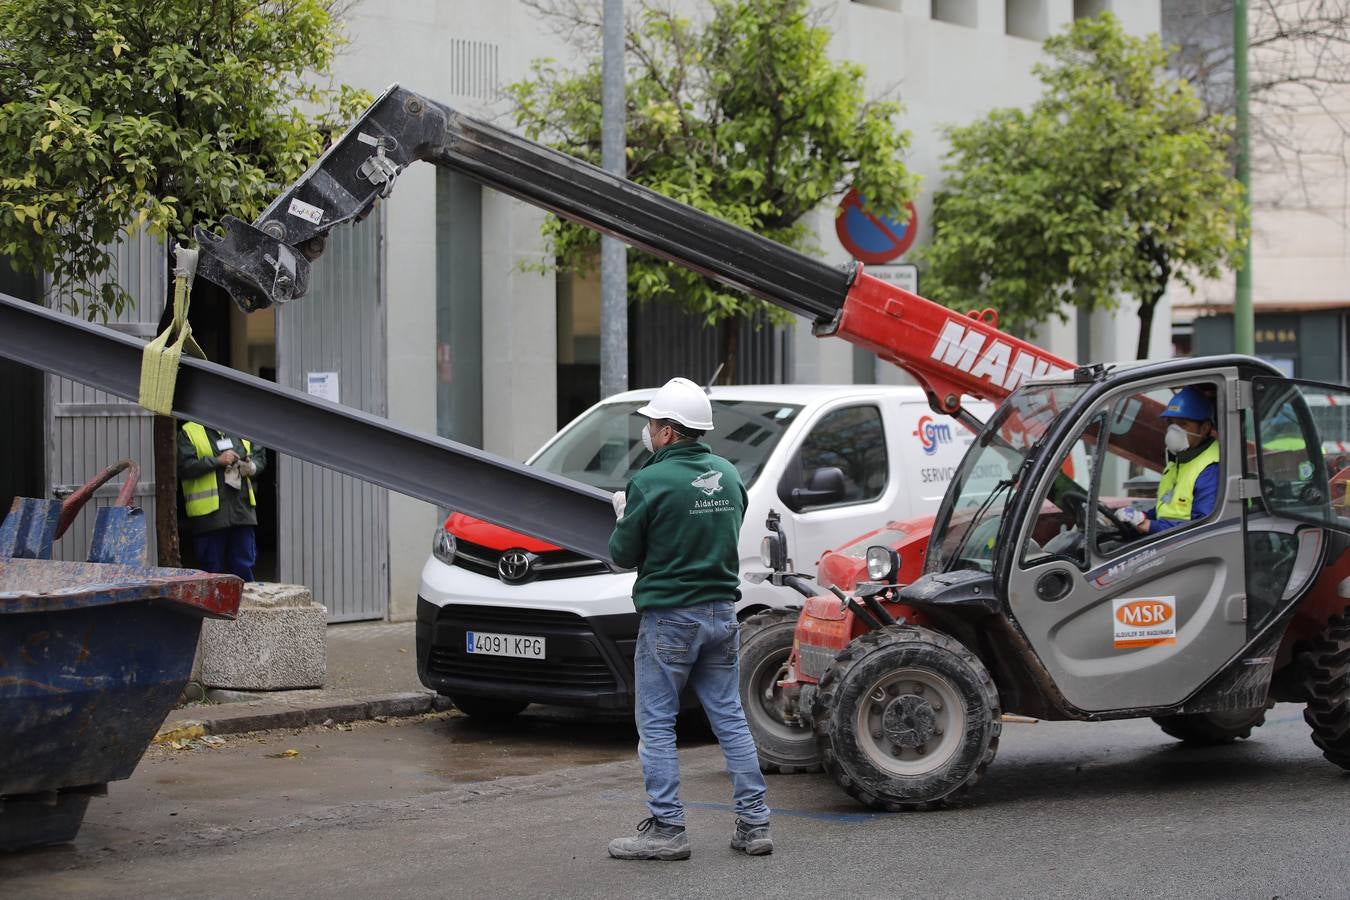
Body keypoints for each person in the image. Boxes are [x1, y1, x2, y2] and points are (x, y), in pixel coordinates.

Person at [606, 377, 772, 861]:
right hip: (723, 614)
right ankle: (755, 823)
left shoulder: (649, 481)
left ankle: (667, 829)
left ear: (669, 431)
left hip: (671, 619)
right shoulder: (726, 472)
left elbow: (622, 555)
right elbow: (726, 528)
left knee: (656, 724)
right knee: (730, 718)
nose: (649, 431)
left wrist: (623, 515)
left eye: (653, 423)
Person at [1115, 386, 1220, 535]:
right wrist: (1142, 516)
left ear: (1204, 428)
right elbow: (1165, 510)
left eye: (1183, 424)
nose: (1173, 430)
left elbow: (1203, 526)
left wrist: (1150, 526)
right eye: (1171, 423)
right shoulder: (1178, 461)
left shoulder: (1211, 468)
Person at [178, 420, 265, 581]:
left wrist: (252, 467)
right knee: (212, 572)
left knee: (243, 567)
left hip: (241, 512)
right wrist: (217, 461)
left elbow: (259, 456)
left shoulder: (243, 428)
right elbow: (185, 467)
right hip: (210, 516)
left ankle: (245, 605)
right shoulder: (190, 431)